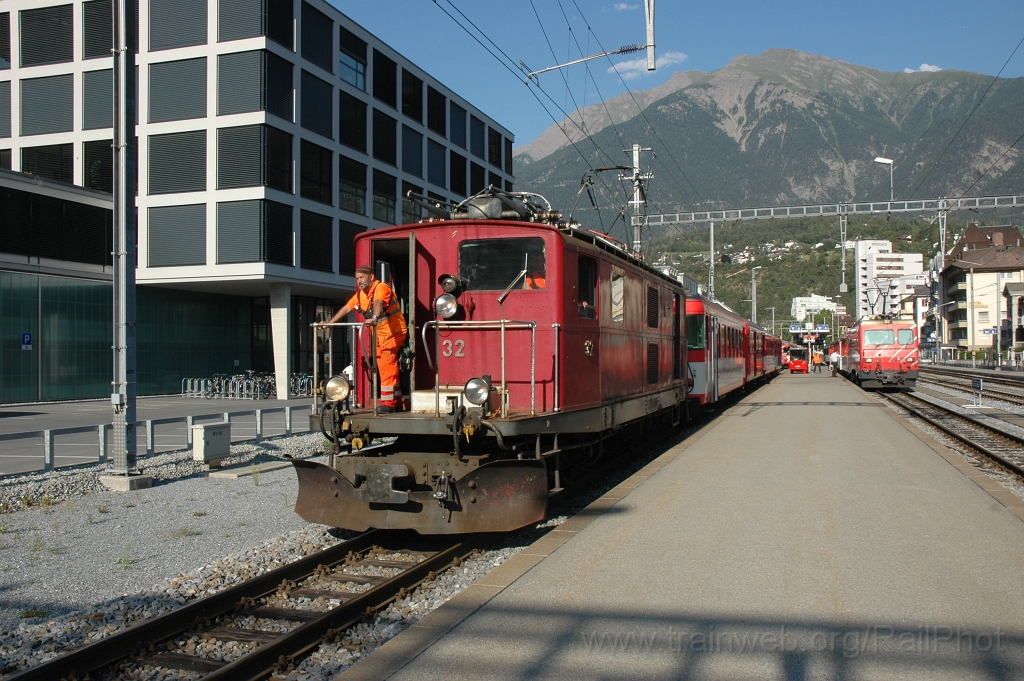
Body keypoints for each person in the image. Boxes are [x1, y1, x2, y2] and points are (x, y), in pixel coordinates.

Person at [323, 266, 408, 413]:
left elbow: (379, 302)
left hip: (394, 333)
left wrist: (374, 317)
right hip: (381, 336)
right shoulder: (360, 295)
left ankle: (389, 404)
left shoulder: (381, 287)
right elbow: (346, 308)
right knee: (386, 366)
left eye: (362, 277)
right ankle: (397, 401)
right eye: (357, 278)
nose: (359, 281)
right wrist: (330, 323)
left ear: (372, 277)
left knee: (387, 366)